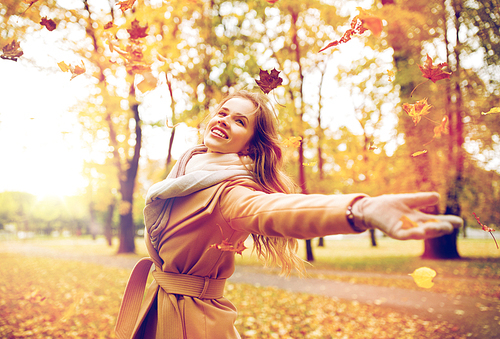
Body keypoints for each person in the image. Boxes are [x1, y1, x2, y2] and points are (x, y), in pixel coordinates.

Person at [115, 90, 463, 339]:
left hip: (192, 322)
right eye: (223, 112)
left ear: (250, 143)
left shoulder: (231, 192)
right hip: (159, 304)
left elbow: (279, 210)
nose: (225, 121)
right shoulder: (185, 171)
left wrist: (360, 209)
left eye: (239, 121)